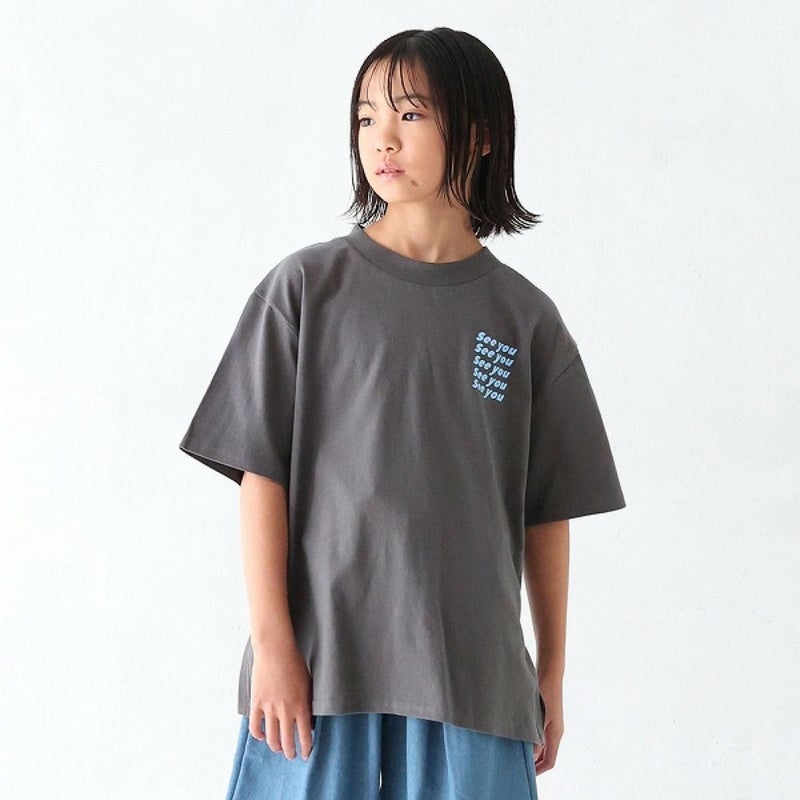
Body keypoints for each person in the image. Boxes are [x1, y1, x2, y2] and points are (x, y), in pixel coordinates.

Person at [179, 26, 626, 800]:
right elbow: (261, 477)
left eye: (410, 114)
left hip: (472, 678)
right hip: (319, 673)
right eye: (365, 117)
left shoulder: (524, 320)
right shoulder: (305, 291)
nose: (381, 139)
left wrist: (550, 671)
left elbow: (546, 509)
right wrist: (274, 646)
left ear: (479, 134)